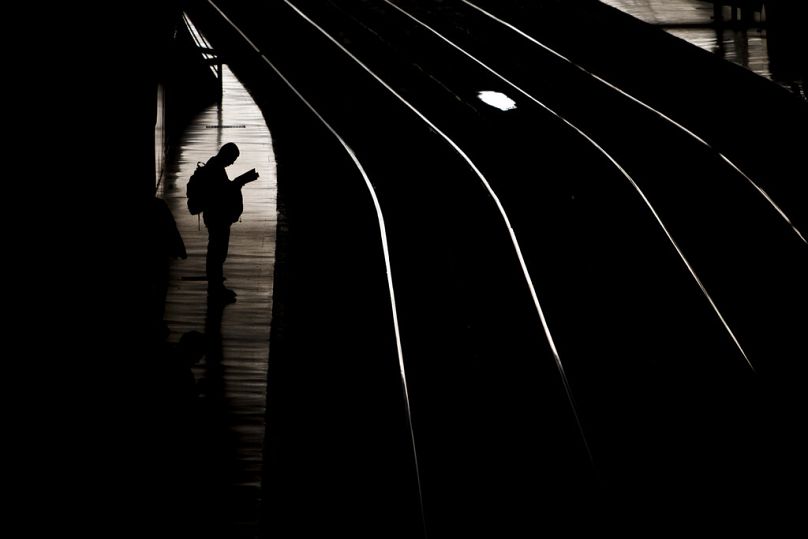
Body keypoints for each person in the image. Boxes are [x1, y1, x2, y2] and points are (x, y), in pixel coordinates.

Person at [201, 142, 259, 303]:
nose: (233, 162)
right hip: (217, 217)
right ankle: (215, 289)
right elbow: (221, 193)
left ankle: (216, 286)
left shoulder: (215, 165)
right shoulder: (216, 168)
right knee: (217, 253)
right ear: (226, 155)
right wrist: (240, 181)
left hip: (216, 217)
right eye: (233, 159)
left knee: (216, 252)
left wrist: (239, 182)